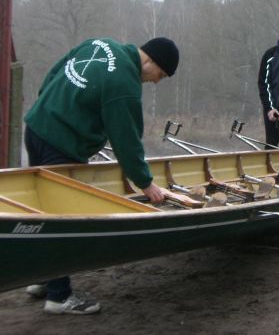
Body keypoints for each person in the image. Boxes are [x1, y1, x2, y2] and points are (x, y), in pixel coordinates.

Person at [23, 36, 179, 315]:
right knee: (63, 220)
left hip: (36, 128)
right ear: (150, 60)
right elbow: (126, 140)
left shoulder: (99, 44)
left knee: (42, 211)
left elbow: (54, 74)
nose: (156, 81)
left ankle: (43, 278)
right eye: (161, 75)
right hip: (61, 145)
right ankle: (59, 297)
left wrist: (51, 109)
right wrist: (145, 183)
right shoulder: (125, 84)